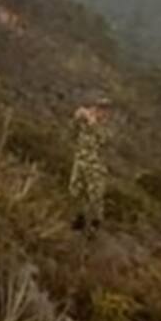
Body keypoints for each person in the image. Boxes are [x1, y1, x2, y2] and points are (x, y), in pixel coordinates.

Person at [70, 95, 113, 233]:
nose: (100, 111)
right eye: (98, 107)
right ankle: (79, 218)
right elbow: (73, 133)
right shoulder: (85, 123)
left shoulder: (106, 127)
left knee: (95, 196)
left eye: (104, 109)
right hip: (80, 161)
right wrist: (77, 118)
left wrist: (93, 123)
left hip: (96, 166)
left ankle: (96, 223)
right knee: (76, 191)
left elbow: (104, 140)